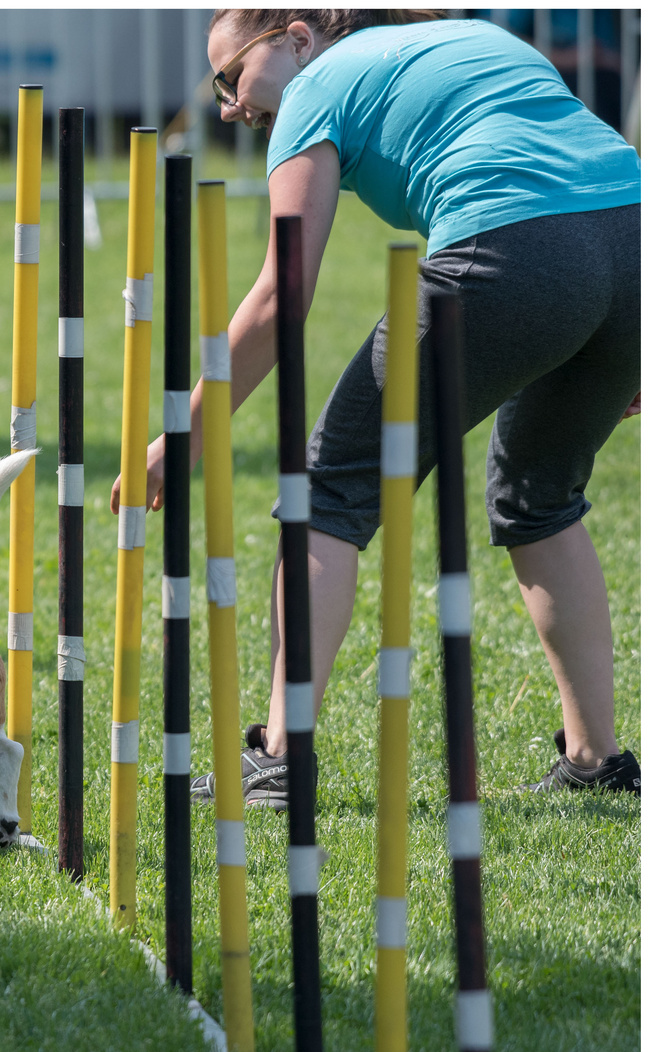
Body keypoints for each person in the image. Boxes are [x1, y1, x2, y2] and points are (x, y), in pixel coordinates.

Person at [110, 10, 640, 803]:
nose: (228, 106)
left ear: (296, 39)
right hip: (632, 246)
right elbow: (580, 169)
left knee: (329, 489)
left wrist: (182, 433)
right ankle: (598, 763)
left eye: (230, 77)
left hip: (512, 247)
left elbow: (280, 298)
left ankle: (280, 761)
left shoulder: (313, 90)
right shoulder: (472, 34)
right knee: (539, 495)